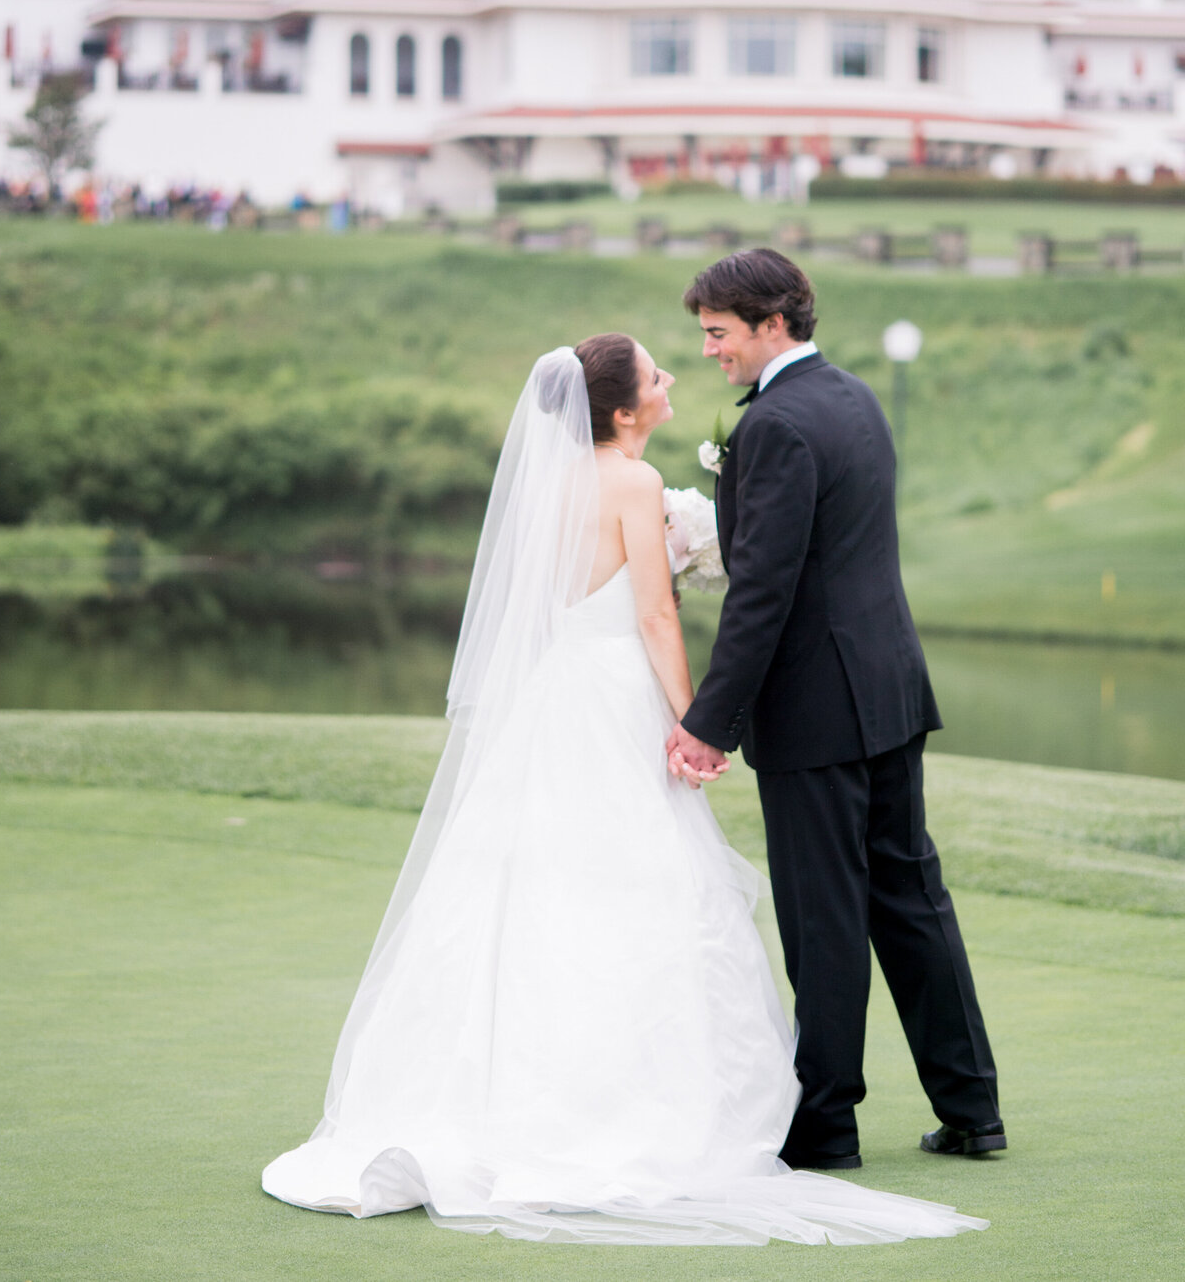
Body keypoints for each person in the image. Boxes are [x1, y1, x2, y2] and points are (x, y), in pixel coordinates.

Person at [261, 337, 987, 1245]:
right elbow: (650, 614)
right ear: (621, 410)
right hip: (614, 702)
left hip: (551, 706)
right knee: (640, 891)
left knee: (529, 893)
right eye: (655, 375)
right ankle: (633, 1110)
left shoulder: (548, 487)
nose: (674, 377)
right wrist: (695, 724)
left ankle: (491, 1097)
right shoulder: (635, 486)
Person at [670, 248, 1005, 1171]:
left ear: (771, 321)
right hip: (890, 690)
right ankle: (973, 1107)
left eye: (719, 333)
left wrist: (707, 722)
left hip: (818, 709)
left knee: (824, 918)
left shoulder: (775, 425)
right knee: (911, 897)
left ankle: (824, 1126)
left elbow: (762, 594)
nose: (710, 351)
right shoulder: (855, 396)